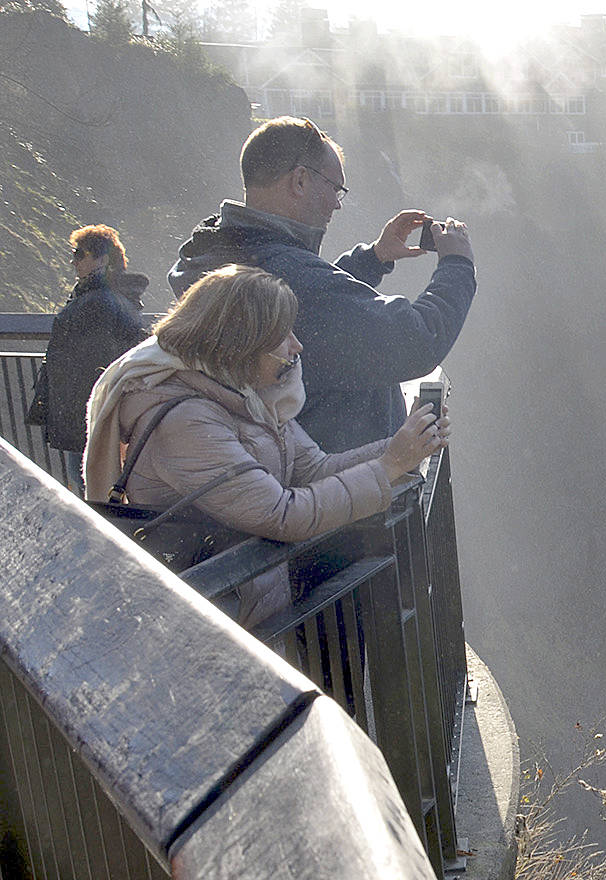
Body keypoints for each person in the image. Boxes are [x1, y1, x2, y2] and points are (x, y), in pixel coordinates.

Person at [83, 265, 447, 627]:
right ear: (241, 342)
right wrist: (388, 466)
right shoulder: (185, 422)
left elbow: (314, 470)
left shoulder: (241, 395)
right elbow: (282, 515)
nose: (297, 346)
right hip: (203, 626)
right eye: (282, 335)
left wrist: (402, 448)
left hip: (242, 609)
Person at [169, 114, 474, 452]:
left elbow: (314, 312)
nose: (337, 203)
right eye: (334, 187)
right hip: (332, 486)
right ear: (300, 181)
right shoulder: (289, 276)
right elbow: (416, 341)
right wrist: (457, 265)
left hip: (263, 469)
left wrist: (373, 258)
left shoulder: (219, 254)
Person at [33, 225, 151, 485]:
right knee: (97, 480)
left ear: (103, 260)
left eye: (80, 254)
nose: (73, 261)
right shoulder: (110, 298)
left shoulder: (98, 302)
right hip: (94, 407)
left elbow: (94, 362)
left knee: (88, 482)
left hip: (87, 408)